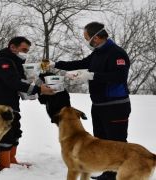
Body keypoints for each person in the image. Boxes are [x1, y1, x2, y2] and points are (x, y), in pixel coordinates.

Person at [44, 22, 131, 180]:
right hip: (98, 105)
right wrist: (56, 64)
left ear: (96, 37)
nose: (86, 41)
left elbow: (119, 77)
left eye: (86, 38)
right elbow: (81, 63)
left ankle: (116, 175)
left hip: (115, 106)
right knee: (101, 142)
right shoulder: (97, 53)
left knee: (116, 142)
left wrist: (92, 76)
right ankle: (107, 173)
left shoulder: (117, 53)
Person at [0, 36, 54, 171]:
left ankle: (11, 160)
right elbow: (12, 82)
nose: (25, 52)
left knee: (14, 131)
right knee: (5, 134)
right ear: (13, 47)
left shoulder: (16, 64)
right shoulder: (2, 62)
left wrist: (38, 81)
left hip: (10, 104)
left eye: (27, 50)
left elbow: (22, 83)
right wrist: (38, 89)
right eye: (23, 49)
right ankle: (3, 165)